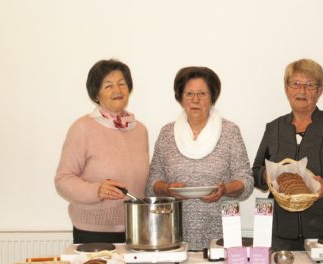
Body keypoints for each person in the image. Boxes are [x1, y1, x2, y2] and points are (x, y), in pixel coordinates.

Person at [252, 58, 323, 251]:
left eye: (310, 85)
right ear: (287, 89)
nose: (302, 90)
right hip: (281, 235)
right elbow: (255, 172)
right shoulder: (274, 128)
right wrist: (266, 176)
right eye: (295, 84)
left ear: (320, 91)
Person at [146, 66, 253, 251]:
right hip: (174, 231)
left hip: (223, 232)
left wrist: (225, 189)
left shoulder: (230, 131)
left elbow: (247, 181)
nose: (195, 100)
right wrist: (167, 189)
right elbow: (151, 184)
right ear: (180, 98)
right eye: (189, 94)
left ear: (212, 97)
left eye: (202, 94)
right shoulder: (166, 133)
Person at [55, 59, 149, 244]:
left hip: (137, 228)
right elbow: (63, 179)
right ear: (96, 94)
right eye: (108, 85)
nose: (117, 90)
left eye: (122, 84)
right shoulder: (83, 127)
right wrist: (96, 190)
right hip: (93, 232)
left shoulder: (140, 130)